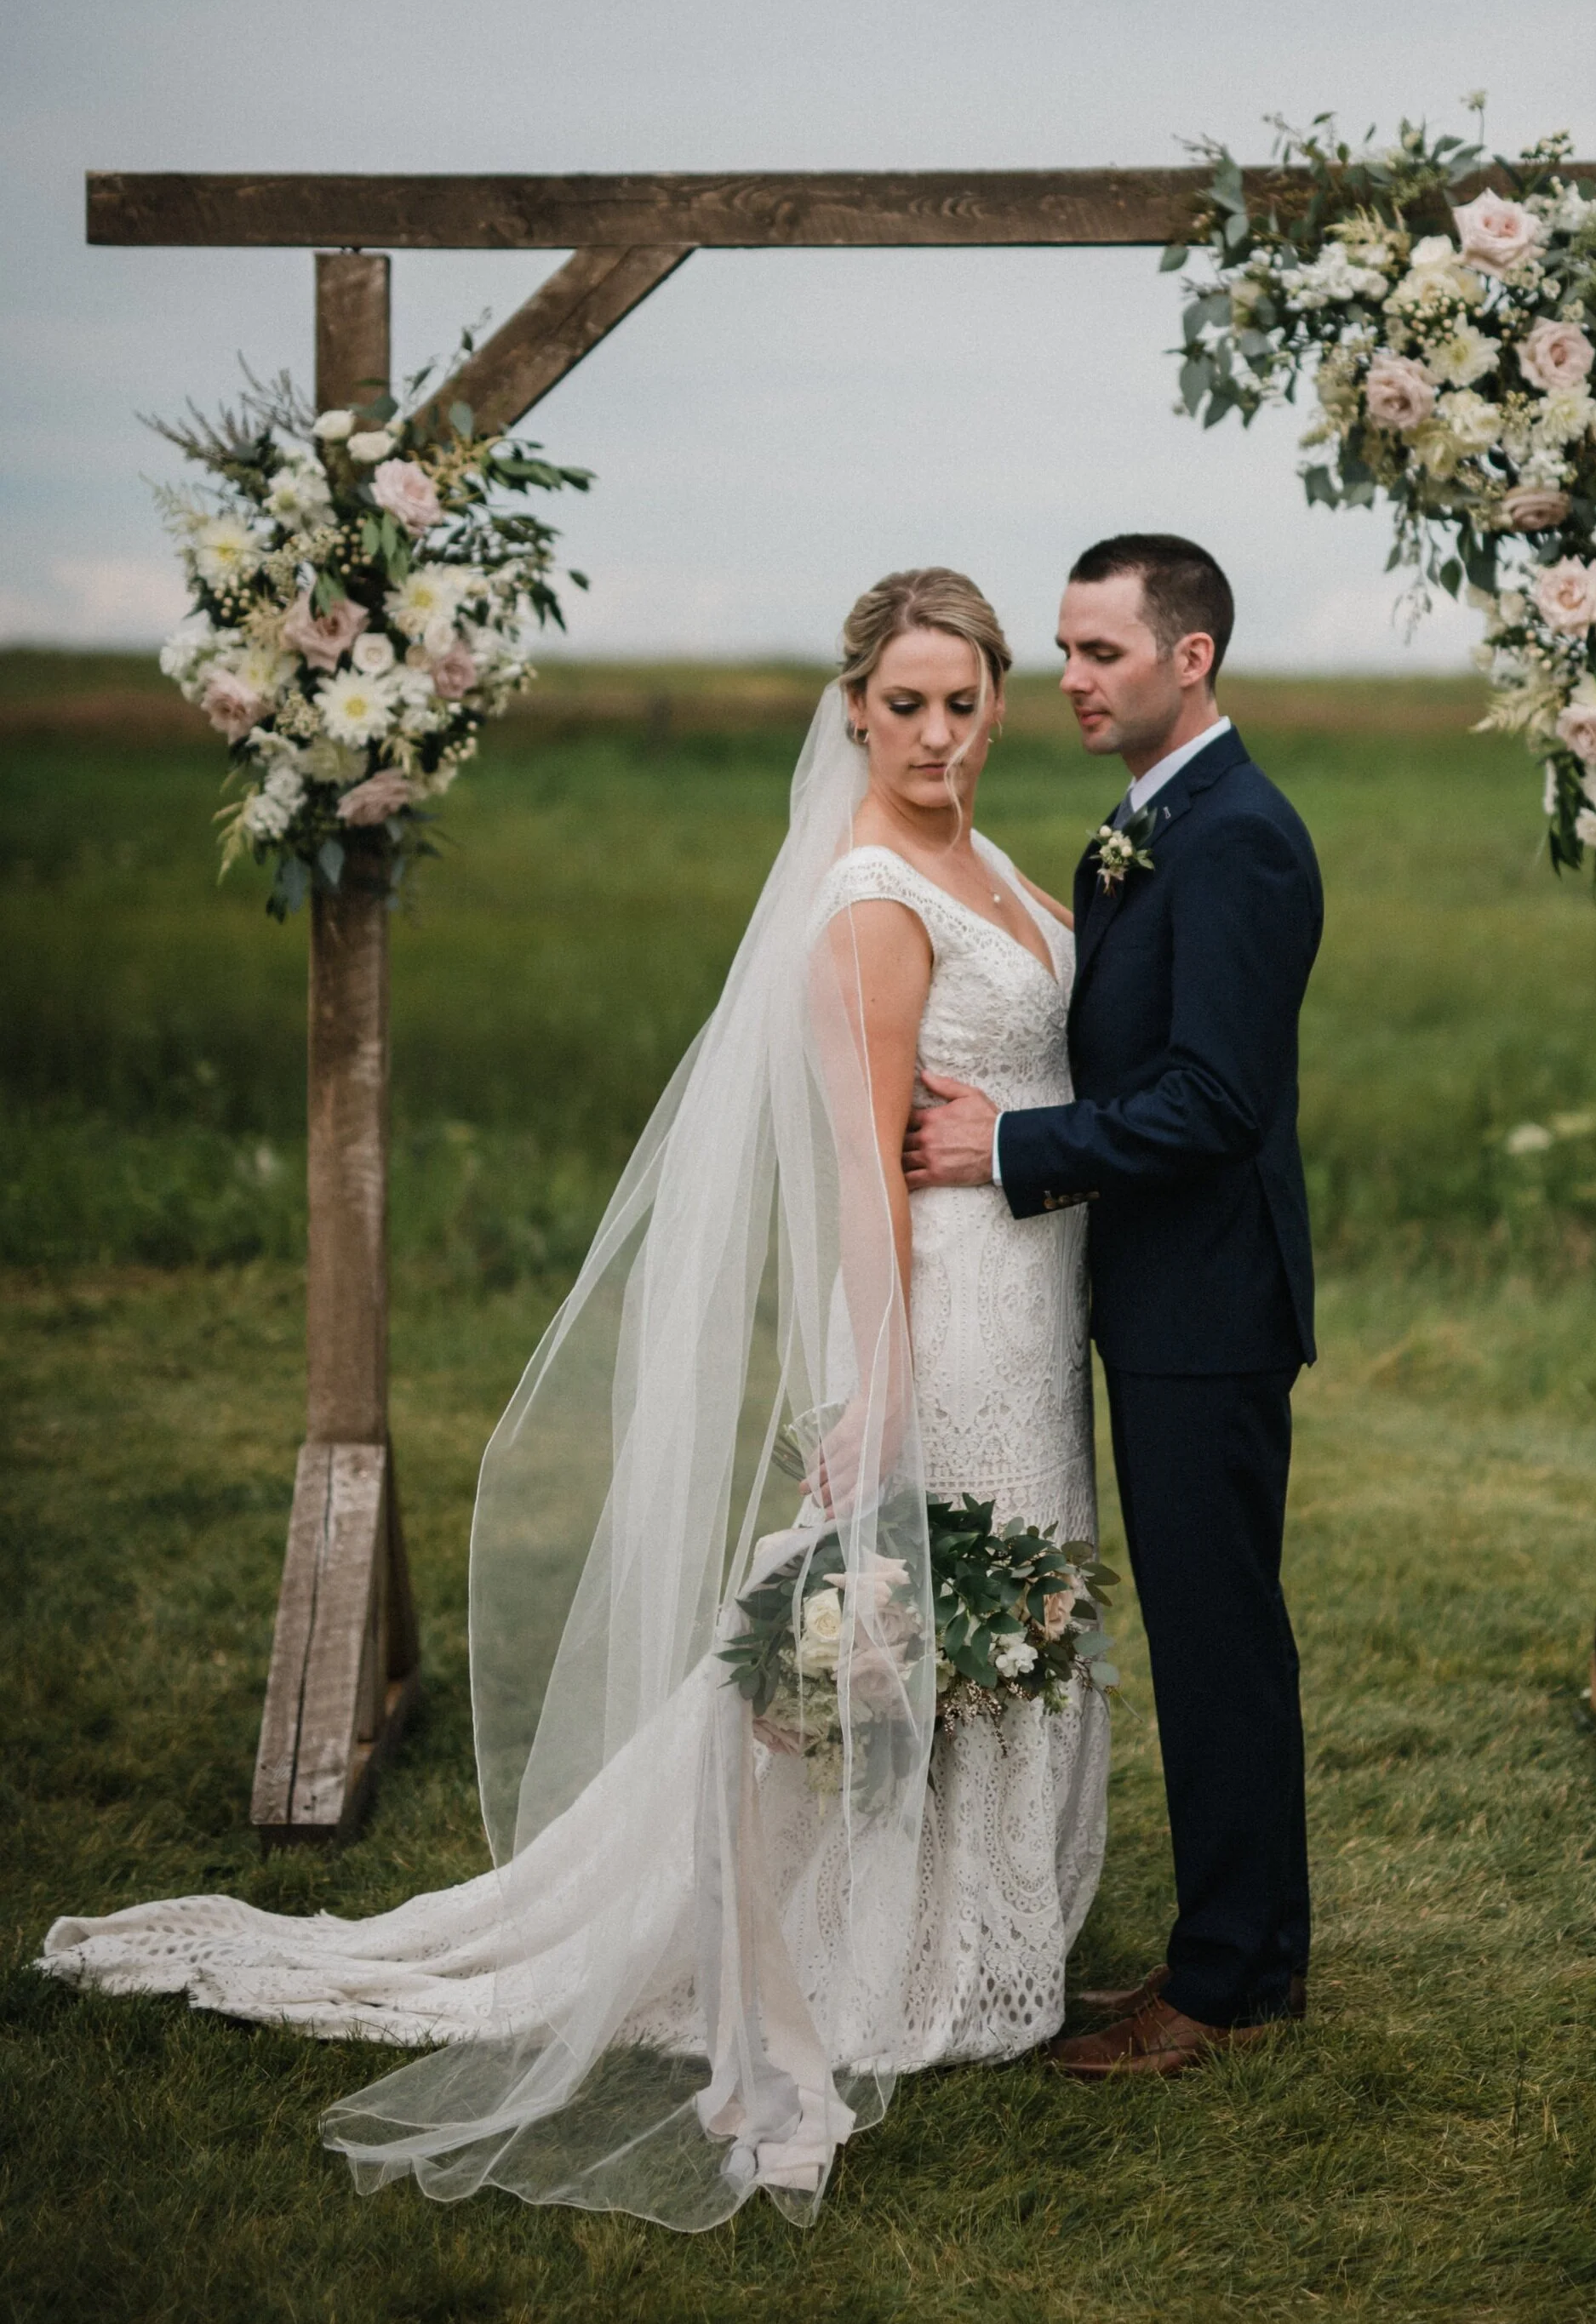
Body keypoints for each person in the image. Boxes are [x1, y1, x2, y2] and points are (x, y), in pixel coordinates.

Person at [41, 568, 1108, 2231]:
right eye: (903, 705)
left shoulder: (986, 859)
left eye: (962, 702)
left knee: (997, 1606)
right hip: (946, 1322)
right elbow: (856, 1173)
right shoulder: (871, 900)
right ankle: (836, 1955)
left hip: (1037, 1316)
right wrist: (886, 1382)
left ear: (994, 704)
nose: (935, 733)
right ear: (852, 712)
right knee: (894, 1620)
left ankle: (982, 1935)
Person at [906, 533, 1321, 2079]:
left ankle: (1227, 1983)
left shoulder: (1237, 838)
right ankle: (1233, 1952)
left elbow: (1212, 1100)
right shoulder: (1146, 827)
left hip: (1209, 1305)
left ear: (1189, 657)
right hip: (1145, 1295)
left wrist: (1008, 1145)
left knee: (1220, 1641)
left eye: (1101, 653)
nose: (1069, 680)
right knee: (1208, 1632)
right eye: (1067, 654)